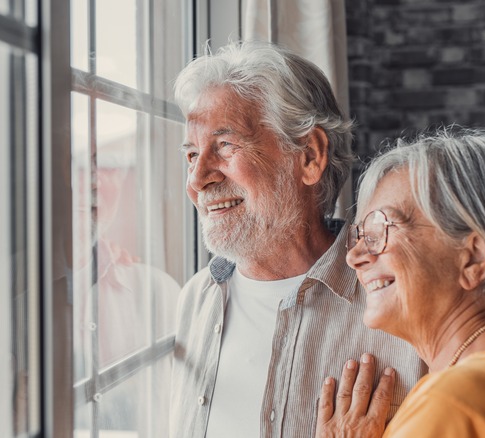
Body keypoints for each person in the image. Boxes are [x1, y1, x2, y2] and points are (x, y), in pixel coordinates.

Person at [168, 41, 425, 438]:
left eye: (224, 145)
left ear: (309, 157)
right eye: (190, 154)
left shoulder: (404, 303)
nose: (197, 180)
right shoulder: (194, 300)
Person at [315, 127, 485, 437]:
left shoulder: (452, 406)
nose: (355, 257)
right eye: (360, 236)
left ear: (475, 257)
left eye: (379, 230)